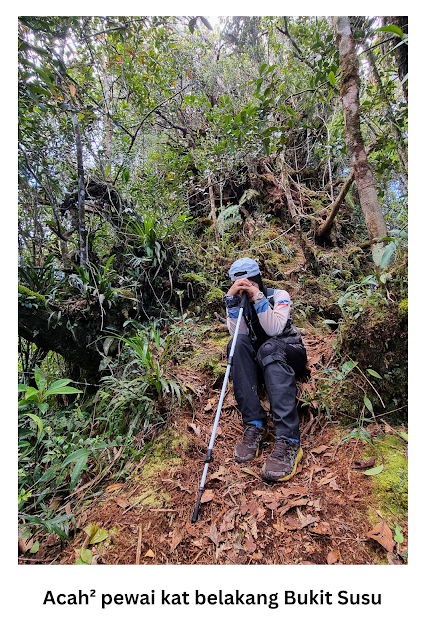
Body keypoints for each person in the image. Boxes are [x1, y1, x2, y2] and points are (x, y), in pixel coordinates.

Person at [224, 257, 307, 482]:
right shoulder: (238, 301)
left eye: (250, 280)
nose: (246, 285)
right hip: (263, 359)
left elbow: (274, 329)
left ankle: (289, 440)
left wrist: (258, 298)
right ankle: (255, 424)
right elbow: (238, 336)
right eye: (240, 282)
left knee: (269, 348)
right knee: (235, 345)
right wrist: (232, 303)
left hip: (288, 350)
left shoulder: (278, 295)